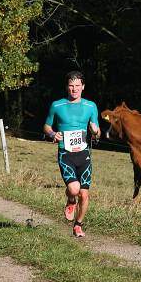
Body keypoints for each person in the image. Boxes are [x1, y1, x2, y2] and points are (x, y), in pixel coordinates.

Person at [43, 71, 101, 237]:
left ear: (83, 86)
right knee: (74, 190)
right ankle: (70, 200)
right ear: (66, 86)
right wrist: (53, 134)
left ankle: (78, 225)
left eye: (77, 86)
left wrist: (95, 131)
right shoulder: (57, 105)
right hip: (66, 153)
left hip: (84, 154)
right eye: (71, 85)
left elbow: (97, 131)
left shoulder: (91, 106)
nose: (74, 89)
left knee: (84, 193)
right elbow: (46, 126)